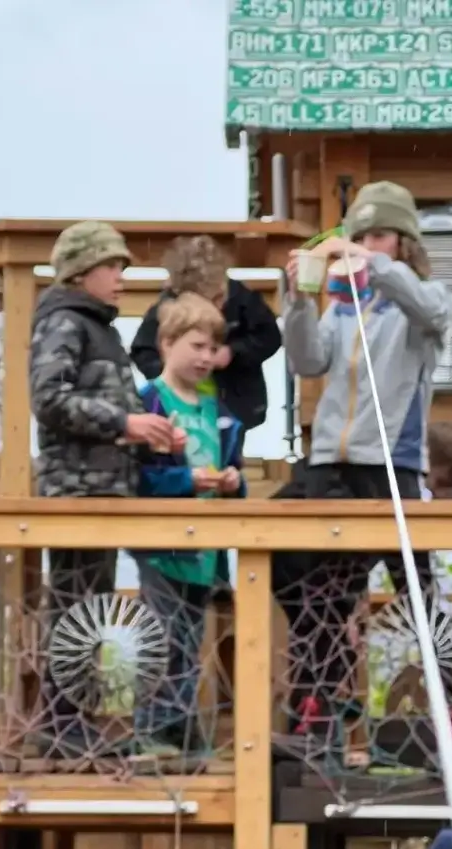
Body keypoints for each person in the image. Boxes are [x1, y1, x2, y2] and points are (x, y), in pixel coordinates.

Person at [30, 221, 184, 753]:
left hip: (104, 488)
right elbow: (48, 400)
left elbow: (114, 409)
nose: (121, 276)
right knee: (74, 605)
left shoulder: (104, 330)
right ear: (82, 269)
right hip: (75, 491)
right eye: (112, 266)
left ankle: (70, 724)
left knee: (86, 607)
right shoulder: (64, 324)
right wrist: (125, 424)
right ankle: (60, 726)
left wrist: (154, 433)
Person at [270, 423, 452, 741]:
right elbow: (411, 579)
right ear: (419, 466)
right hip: (296, 558)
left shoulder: (374, 480)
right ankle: (310, 721)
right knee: (323, 636)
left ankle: (312, 720)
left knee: (326, 641)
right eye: (436, 484)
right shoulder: (387, 486)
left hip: (320, 567)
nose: (436, 496)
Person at [134, 293, 247, 753]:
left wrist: (234, 482)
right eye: (196, 346)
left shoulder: (216, 411)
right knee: (162, 633)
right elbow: (138, 478)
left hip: (206, 548)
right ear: (166, 343)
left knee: (191, 635)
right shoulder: (148, 403)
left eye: (212, 348)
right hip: (161, 545)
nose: (206, 357)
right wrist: (187, 480)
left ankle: (177, 725)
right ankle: (156, 726)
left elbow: (232, 468)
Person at [130, 234, 281, 455]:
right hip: (182, 410)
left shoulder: (241, 298)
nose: (219, 305)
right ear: (185, 296)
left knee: (227, 458)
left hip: (234, 403)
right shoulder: (168, 309)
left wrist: (233, 352)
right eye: (211, 300)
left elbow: (270, 337)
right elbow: (144, 350)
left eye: (222, 296)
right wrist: (174, 376)